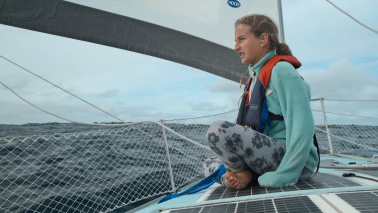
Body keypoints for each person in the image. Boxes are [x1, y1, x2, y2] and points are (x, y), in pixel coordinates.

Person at [203, 14, 319, 189]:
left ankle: (243, 174)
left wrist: (287, 174)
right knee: (208, 164)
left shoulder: (282, 71)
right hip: (267, 156)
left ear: (263, 39)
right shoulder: (254, 77)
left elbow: (303, 127)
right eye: (235, 41)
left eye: (241, 39)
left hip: (296, 163)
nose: (236, 47)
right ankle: (244, 174)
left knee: (217, 131)